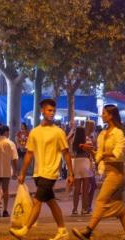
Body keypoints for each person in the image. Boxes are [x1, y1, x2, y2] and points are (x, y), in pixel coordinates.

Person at [11, 99, 74, 240]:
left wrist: (71, 173)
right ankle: (62, 230)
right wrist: (21, 173)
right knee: (51, 202)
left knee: (37, 201)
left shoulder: (59, 132)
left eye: (53, 111)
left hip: (50, 173)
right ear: (42, 111)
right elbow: (29, 153)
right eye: (49, 110)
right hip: (38, 173)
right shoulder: (34, 132)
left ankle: (25, 229)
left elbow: (66, 153)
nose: (52, 113)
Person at [72, 104, 125, 240]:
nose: (102, 115)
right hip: (108, 172)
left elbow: (119, 155)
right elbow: (98, 157)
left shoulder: (119, 133)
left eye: (104, 113)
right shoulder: (102, 134)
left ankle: (88, 231)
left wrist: (105, 154)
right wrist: (90, 151)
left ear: (111, 115)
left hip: (117, 173)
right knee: (119, 205)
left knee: (101, 200)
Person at [70, 124, 95, 216]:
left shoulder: (74, 142)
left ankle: (74, 209)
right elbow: (91, 149)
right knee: (85, 189)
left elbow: (72, 150)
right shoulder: (87, 141)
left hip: (77, 162)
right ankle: (84, 209)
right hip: (85, 162)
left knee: (76, 189)